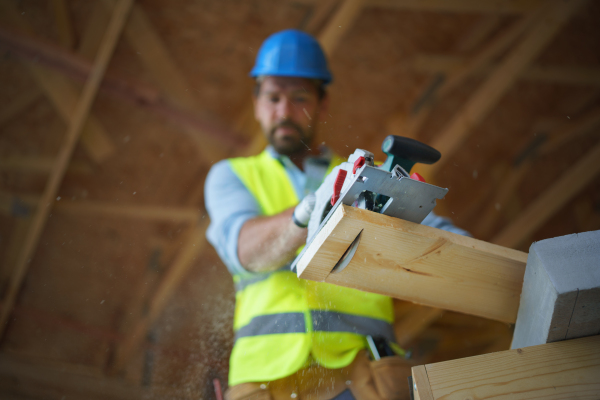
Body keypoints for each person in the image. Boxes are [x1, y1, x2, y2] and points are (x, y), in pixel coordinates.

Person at [205, 29, 470, 400]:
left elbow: (437, 238)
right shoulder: (231, 176)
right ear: (256, 104)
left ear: (322, 105)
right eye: (273, 97)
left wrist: (470, 253)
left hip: (362, 375)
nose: (283, 111)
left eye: (299, 98)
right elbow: (246, 251)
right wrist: (306, 212)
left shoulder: (365, 176)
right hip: (263, 382)